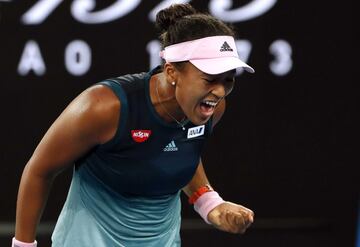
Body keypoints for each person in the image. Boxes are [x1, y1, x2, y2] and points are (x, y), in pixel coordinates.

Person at [13, 3, 255, 247]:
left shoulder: (211, 108)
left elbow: (180, 151)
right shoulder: (104, 107)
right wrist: (23, 245)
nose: (220, 91)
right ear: (171, 72)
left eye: (228, 80)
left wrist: (210, 203)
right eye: (210, 79)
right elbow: (39, 171)